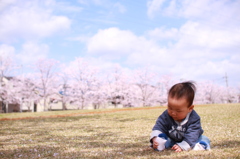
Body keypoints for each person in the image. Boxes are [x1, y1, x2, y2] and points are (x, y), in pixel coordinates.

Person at [150, 81, 210, 152]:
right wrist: (155, 138)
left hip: (190, 140)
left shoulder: (194, 118)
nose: (173, 113)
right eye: (170, 108)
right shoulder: (166, 115)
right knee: (164, 139)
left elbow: (193, 134)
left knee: (204, 138)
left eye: (178, 111)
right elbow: (159, 126)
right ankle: (160, 145)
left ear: (190, 109)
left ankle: (200, 146)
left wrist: (183, 145)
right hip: (172, 139)